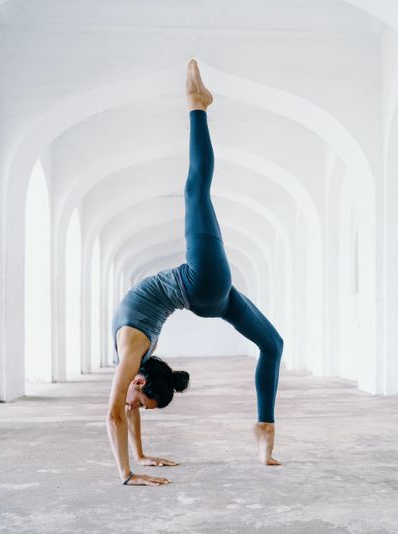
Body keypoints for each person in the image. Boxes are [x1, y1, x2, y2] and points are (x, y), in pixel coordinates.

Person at [106, 59, 284, 486]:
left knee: (273, 344)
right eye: (145, 405)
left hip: (205, 287)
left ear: (140, 379)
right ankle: (197, 106)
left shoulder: (132, 351)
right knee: (273, 345)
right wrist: (141, 458)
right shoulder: (136, 363)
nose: (136, 408)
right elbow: (127, 407)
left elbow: (113, 412)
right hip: (206, 288)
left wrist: (129, 472)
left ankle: (197, 105)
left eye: (142, 404)